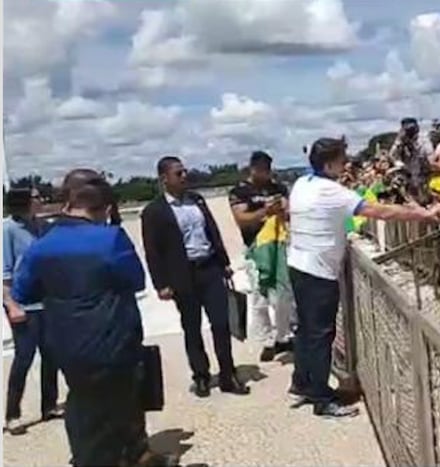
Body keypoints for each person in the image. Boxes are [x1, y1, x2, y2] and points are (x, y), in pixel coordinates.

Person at [12, 177, 165, 466]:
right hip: (114, 342)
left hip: (66, 346)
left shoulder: (41, 245)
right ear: (104, 209)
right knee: (120, 408)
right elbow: (136, 280)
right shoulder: (110, 238)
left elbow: (23, 292)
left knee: (83, 402)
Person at [287, 137, 439, 418]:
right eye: (343, 160)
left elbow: (333, 216)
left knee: (307, 330)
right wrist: (419, 215)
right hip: (318, 271)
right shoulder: (331, 191)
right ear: (330, 163)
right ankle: (321, 397)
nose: (346, 165)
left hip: (299, 264)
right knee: (321, 333)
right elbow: (378, 211)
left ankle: (302, 382)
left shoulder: (301, 184)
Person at [141, 156, 249, 398]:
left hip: (209, 268)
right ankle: (200, 375)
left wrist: (224, 263)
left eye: (184, 172)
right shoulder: (154, 211)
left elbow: (212, 231)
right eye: (178, 173)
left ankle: (228, 374)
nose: (184, 177)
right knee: (191, 327)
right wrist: (161, 284)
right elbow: (152, 251)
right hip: (182, 275)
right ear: (164, 179)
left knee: (221, 323)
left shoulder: (197, 201)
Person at [3, 188, 61, 435]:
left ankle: (49, 405)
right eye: (36, 197)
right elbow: (4, 273)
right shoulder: (8, 229)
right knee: (24, 357)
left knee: (52, 355)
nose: (41, 200)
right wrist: (10, 304)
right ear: (23, 202)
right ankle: (12, 414)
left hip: (47, 300)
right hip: (22, 302)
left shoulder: (44, 226)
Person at [228, 151, 294, 363]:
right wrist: (265, 211)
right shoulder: (240, 191)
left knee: (283, 292)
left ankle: (283, 335)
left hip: (279, 243)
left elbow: (290, 213)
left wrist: (282, 209)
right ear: (253, 169)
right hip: (255, 247)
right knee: (259, 295)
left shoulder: (278, 188)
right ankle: (266, 340)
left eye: (268, 170)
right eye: (261, 170)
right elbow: (242, 219)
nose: (266, 174)